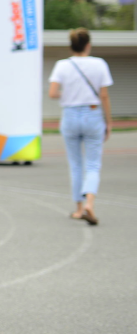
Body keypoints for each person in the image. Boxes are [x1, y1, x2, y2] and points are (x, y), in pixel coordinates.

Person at [49, 28, 113, 225]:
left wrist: (68, 95)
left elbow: (53, 93)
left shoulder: (62, 65)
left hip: (70, 115)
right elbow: (104, 95)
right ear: (88, 45)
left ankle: (78, 208)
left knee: (75, 164)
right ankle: (89, 204)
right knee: (93, 164)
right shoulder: (99, 64)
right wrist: (109, 121)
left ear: (71, 46)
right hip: (92, 114)